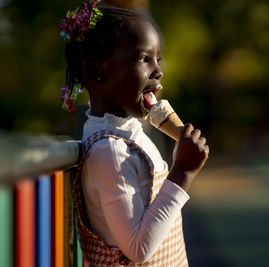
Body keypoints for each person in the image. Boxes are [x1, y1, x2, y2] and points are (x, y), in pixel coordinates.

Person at [59, 1, 209, 266]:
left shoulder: (128, 134)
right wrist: (182, 173)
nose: (159, 71)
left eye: (157, 59)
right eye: (143, 59)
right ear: (97, 70)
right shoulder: (110, 152)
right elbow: (138, 249)